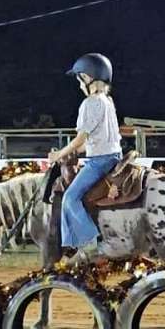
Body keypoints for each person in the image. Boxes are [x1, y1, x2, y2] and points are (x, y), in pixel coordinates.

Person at [48, 53, 122, 265]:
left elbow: (81, 138)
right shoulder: (108, 101)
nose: (79, 83)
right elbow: (88, 142)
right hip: (112, 155)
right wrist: (73, 152)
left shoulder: (90, 104)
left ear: (87, 78)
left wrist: (58, 155)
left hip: (100, 160)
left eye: (80, 78)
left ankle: (90, 241)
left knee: (70, 197)